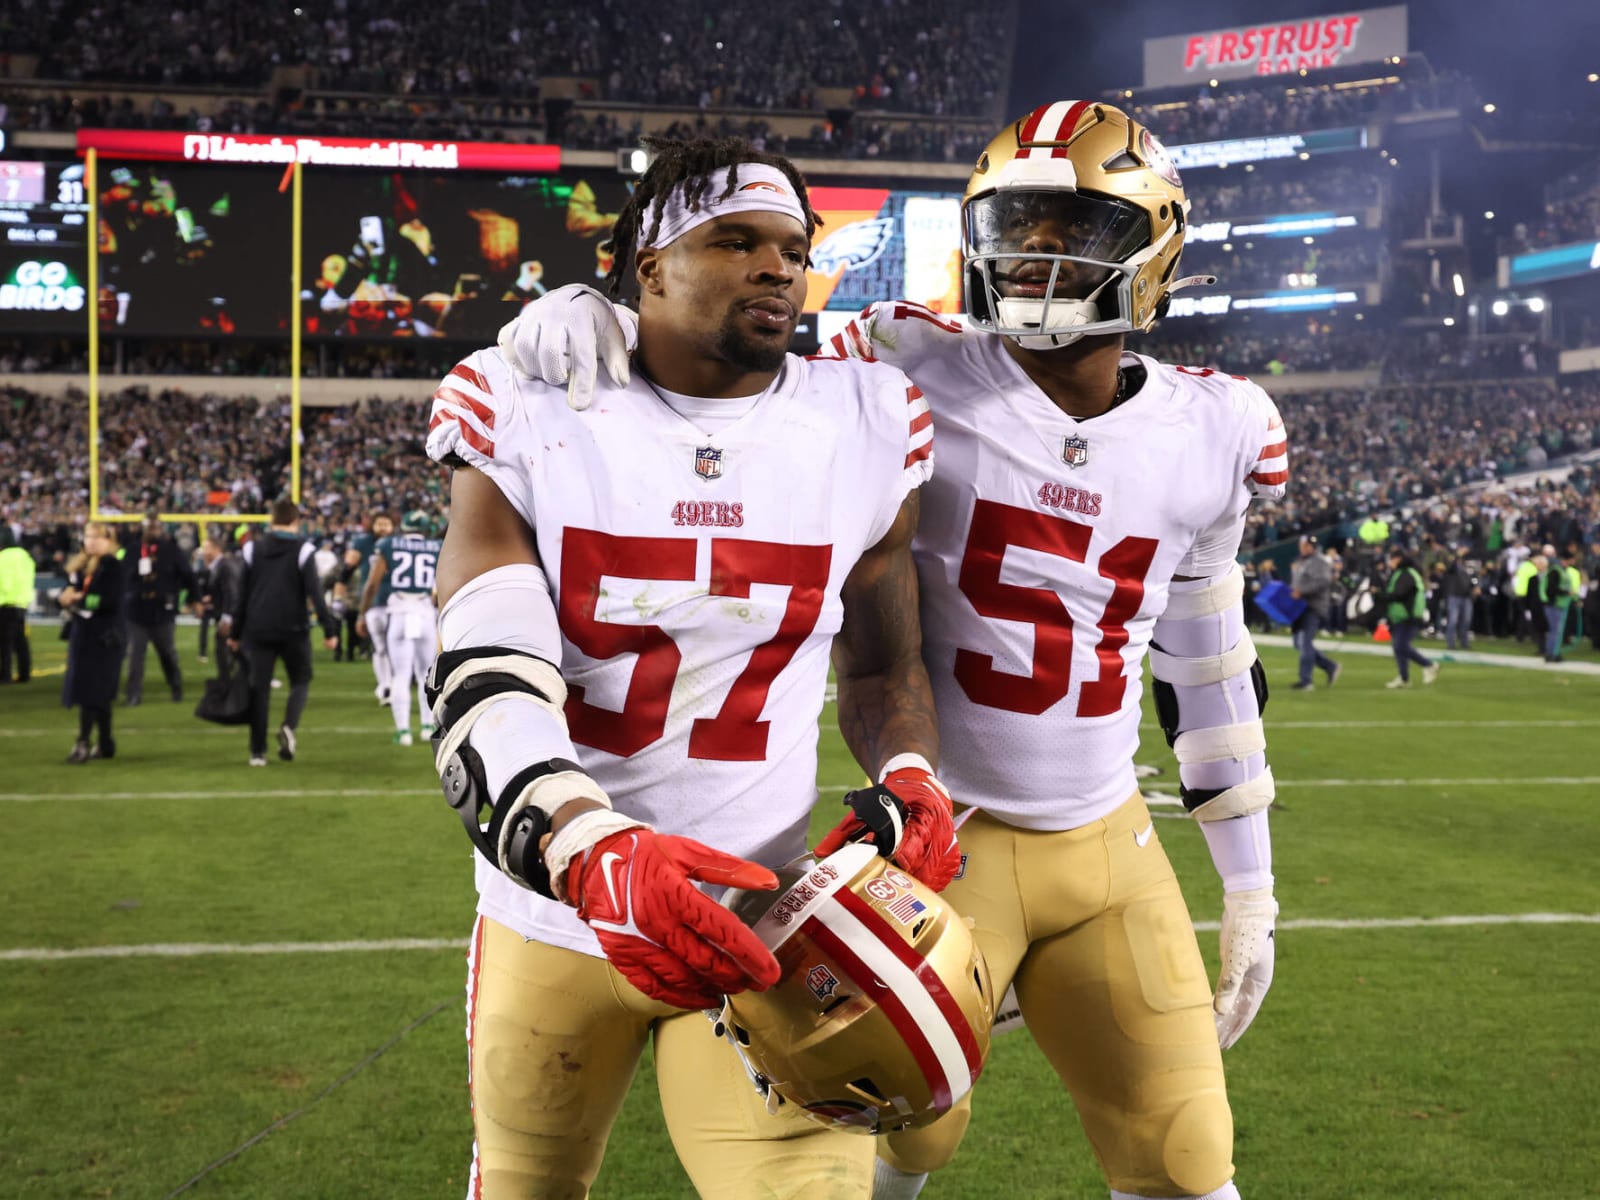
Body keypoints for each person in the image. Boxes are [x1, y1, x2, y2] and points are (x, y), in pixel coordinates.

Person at [502, 102, 1287, 1200]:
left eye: (1077, 231)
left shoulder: (1221, 427)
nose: (1038, 255)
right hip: (936, 840)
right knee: (895, 1127)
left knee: (1186, 1151)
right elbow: (729, 357)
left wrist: (1248, 882)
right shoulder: (898, 364)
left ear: (1153, 245)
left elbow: (1204, 659)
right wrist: (602, 319)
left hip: (1109, 839)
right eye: (1019, 225)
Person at [422, 135, 956, 1199]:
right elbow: (484, 669)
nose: (777, 267)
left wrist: (912, 776)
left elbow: (883, 666)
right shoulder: (528, 399)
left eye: (793, 248)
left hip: (762, 924)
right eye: (735, 241)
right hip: (559, 915)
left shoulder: (867, 419)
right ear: (646, 266)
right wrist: (590, 851)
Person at [228, 499, 340, 766]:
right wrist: (329, 629)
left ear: (271, 519)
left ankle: (257, 752)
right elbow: (316, 594)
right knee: (300, 680)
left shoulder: (251, 549)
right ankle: (289, 725)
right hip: (294, 628)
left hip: (257, 629)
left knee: (260, 690)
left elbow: (241, 596)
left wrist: (234, 632)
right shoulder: (303, 551)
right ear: (295, 521)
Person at [356, 510, 442, 746]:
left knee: (400, 675)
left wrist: (362, 613)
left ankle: (403, 732)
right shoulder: (437, 547)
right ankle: (427, 726)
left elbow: (372, 584)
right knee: (426, 675)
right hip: (425, 613)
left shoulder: (389, 544)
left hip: (400, 612)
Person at [58, 522, 126, 762]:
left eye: (98, 537)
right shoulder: (81, 566)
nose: (92, 541)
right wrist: (67, 596)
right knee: (99, 692)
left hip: (104, 636)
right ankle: (106, 743)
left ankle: (83, 742)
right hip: (84, 633)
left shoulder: (113, 566)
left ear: (109, 540)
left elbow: (110, 601)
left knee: (91, 691)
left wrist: (79, 599)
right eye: (88, 536)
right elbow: (73, 592)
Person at [123, 513, 198, 706]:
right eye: (150, 528)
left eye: (156, 528)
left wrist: (194, 599)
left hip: (162, 611)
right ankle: (133, 695)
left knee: (167, 654)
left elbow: (188, 576)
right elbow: (121, 578)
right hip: (136, 610)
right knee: (135, 656)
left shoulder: (171, 551)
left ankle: (176, 686)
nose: (153, 531)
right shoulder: (132, 551)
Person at [1377, 546, 1438, 688]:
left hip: (1408, 615)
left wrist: (1380, 595)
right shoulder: (1407, 572)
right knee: (1398, 646)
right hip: (1402, 615)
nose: (1389, 563)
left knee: (1401, 645)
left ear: (1398, 559)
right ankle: (1404, 678)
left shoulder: (1406, 574)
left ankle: (1428, 665)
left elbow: (1399, 594)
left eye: (1391, 560)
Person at [351, 513, 395, 705]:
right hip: (377, 603)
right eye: (380, 523)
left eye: (387, 523)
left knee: (386, 648)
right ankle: (386, 685)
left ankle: (387, 686)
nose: (383, 527)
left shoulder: (394, 543)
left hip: (393, 603)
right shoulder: (364, 543)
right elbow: (350, 562)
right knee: (382, 648)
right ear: (372, 525)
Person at [1289, 535, 1340, 690]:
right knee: (1299, 643)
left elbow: (1323, 581)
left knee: (1305, 643)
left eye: (1307, 546)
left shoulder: (1320, 562)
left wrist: (1302, 591)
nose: (1305, 548)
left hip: (1314, 607)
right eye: (1303, 545)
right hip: (1301, 608)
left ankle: (1306, 680)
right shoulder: (1301, 561)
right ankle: (1329, 666)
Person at [0, 525, 36, 684]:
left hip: (5, 602)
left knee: (4, 643)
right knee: (21, 641)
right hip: (21, 602)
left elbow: (4, 583)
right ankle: (24, 673)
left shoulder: (3, 557)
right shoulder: (25, 556)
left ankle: (5, 675)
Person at [1439, 544, 1478, 651]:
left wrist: (1475, 587)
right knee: (1453, 620)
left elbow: (1473, 578)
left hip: (1466, 596)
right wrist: (1457, 555)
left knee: (1466, 620)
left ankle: (1464, 642)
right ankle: (1451, 643)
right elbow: (1450, 567)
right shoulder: (1453, 564)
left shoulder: (1468, 566)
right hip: (1454, 595)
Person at [1540, 549, 1575, 663]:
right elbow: (1552, 590)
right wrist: (1566, 592)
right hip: (1553, 604)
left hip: (1560, 604)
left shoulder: (1563, 571)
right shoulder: (1556, 571)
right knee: (1555, 630)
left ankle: (1555, 652)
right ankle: (1551, 654)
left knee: (1557, 631)